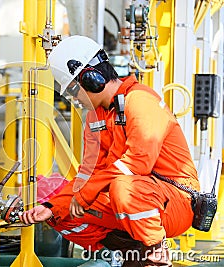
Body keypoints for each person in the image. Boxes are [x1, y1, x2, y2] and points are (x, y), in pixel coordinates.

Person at [19, 35, 200, 267]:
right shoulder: (96, 118)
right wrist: (51, 206)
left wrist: (84, 196)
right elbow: (88, 175)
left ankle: (156, 255)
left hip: (174, 202)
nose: (74, 100)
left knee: (123, 187)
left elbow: (136, 164)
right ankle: (131, 254)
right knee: (59, 208)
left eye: (74, 91)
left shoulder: (141, 101)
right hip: (131, 198)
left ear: (91, 79)